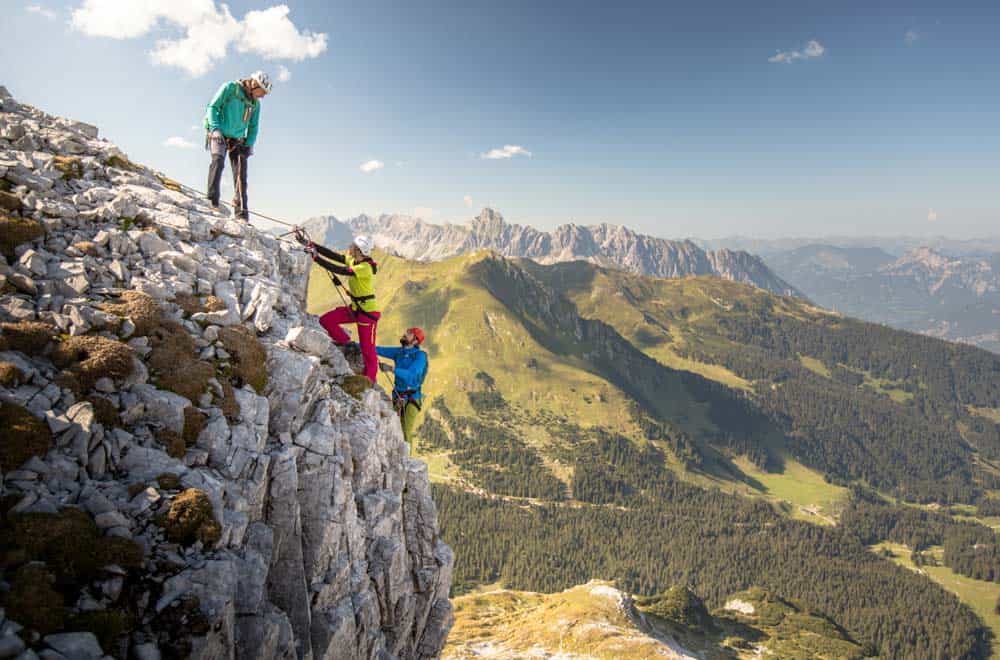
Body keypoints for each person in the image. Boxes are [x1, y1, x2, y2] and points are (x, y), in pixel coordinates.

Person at [307, 235, 381, 382]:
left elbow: (341, 270)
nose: (350, 247)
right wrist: (312, 244)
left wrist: (316, 258)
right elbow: (335, 256)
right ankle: (345, 343)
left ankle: (370, 380)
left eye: (353, 246)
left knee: (368, 349)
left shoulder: (364, 268)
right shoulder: (354, 260)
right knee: (326, 320)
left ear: (359, 250)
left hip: (367, 313)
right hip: (356, 308)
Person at [203, 71, 272, 220]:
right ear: (254, 84)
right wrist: (214, 129)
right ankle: (212, 201)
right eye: (262, 92)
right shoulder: (230, 88)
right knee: (218, 162)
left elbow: (253, 126)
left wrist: (249, 144)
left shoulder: (255, 104)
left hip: (237, 138)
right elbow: (212, 107)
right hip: (219, 131)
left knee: (241, 175)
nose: (263, 96)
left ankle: (241, 214)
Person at [377, 327, 428, 445]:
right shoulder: (399, 352)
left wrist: (391, 369)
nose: (405, 334)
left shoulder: (420, 356)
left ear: (415, 340)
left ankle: (406, 456)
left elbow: (411, 374)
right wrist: (354, 344)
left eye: (409, 333)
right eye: (407, 332)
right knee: (392, 427)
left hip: (412, 398)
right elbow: (378, 349)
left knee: (405, 431)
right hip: (398, 395)